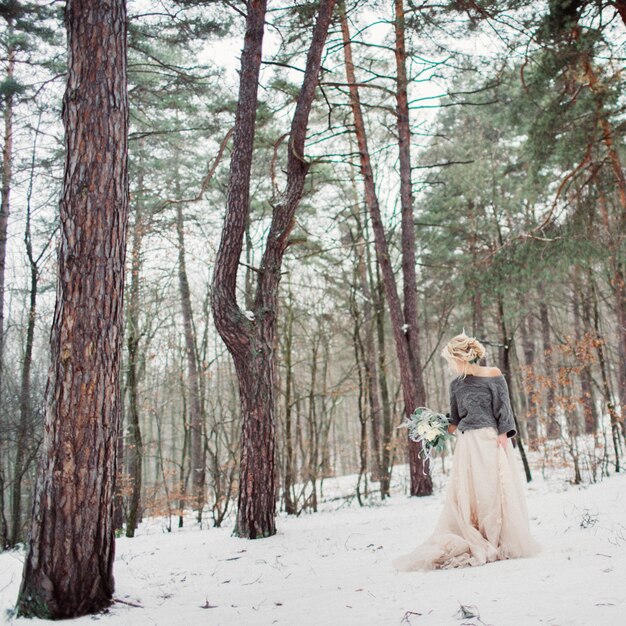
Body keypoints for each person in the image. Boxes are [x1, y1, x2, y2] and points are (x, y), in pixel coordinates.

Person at [394, 332, 539, 571]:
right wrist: (434, 425)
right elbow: (456, 419)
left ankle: (499, 537)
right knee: (472, 490)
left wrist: (504, 437)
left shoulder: (494, 375)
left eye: (452, 360)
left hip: (492, 440)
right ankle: (477, 532)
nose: (451, 366)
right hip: (467, 444)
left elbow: (505, 409)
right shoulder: (456, 384)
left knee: (494, 488)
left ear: (462, 357)